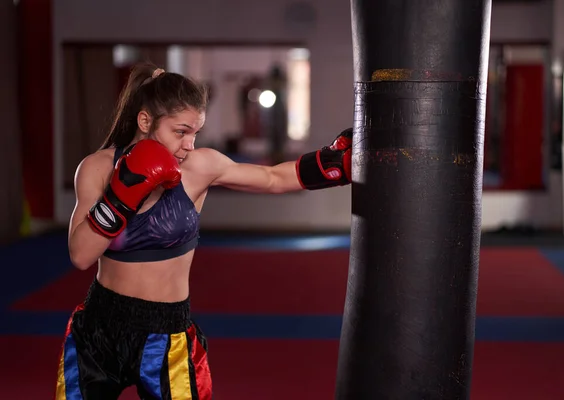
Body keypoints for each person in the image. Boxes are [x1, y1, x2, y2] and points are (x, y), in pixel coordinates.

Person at [55, 62, 353, 400]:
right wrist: (120, 197)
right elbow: (80, 256)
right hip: (99, 330)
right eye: (180, 132)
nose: (189, 145)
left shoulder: (199, 168)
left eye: (195, 132)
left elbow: (272, 179)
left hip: (166, 332)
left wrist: (333, 164)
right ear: (144, 121)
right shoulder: (97, 168)